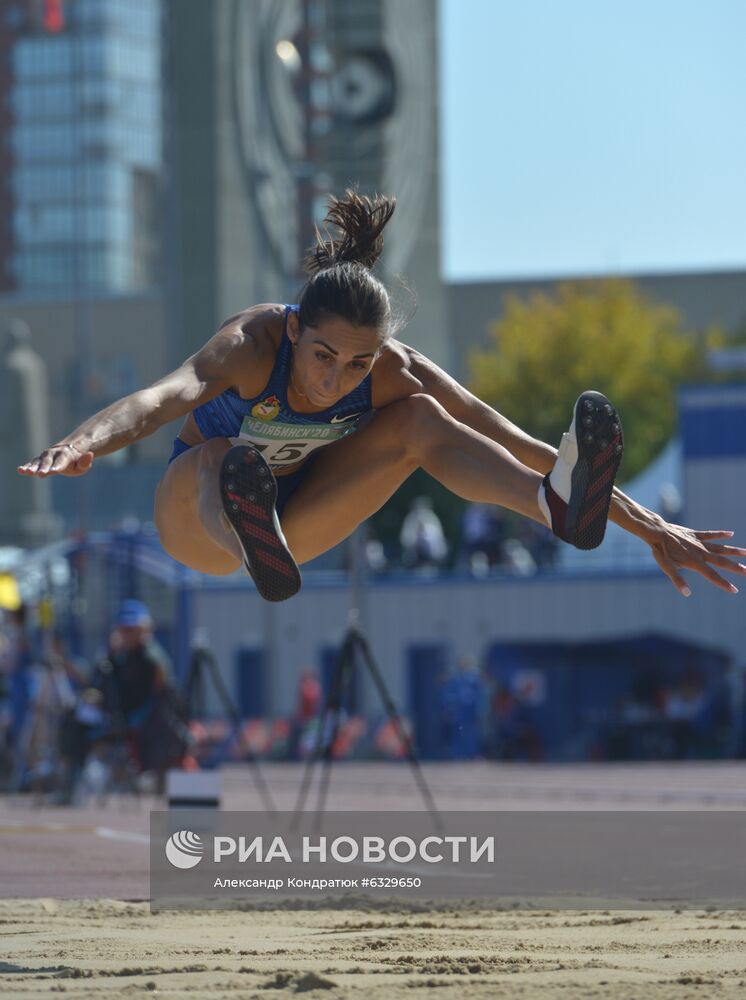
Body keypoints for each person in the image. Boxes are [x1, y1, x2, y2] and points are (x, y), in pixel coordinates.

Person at [17, 192, 746, 602]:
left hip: (296, 526)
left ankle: (547, 510)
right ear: (296, 329)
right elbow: (160, 399)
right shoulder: (253, 346)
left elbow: (513, 438)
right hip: (198, 523)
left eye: (359, 364)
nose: (338, 379)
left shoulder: (395, 370)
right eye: (326, 357)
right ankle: (245, 524)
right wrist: (85, 441)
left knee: (424, 419)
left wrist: (651, 528)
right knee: (215, 452)